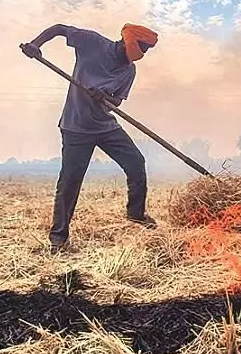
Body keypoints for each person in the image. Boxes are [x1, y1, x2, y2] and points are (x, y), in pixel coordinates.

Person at [20, 23, 160, 249]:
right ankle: (58, 238)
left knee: (136, 163)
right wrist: (36, 45)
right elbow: (59, 29)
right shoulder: (92, 42)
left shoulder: (129, 70)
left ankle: (136, 214)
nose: (140, 54)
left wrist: (104, 96)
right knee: (69, 182)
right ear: (127, 43)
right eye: (140, 48)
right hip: (76, 127)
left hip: (106, 127)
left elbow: (116, 101)